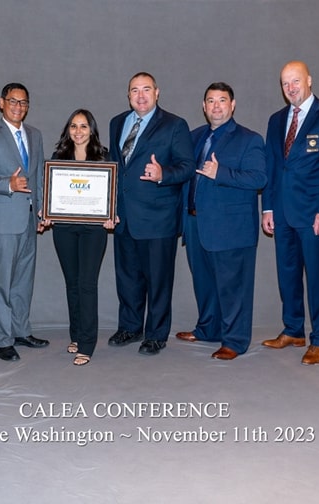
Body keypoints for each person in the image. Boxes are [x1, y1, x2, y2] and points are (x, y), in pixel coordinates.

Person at [261, 61, 319, 365]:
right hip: (283, 215)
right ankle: (293, 330)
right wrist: (269, 208)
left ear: (309, 80)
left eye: (296, 81)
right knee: (287, 275)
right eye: (285, 83)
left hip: (315, 216)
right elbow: (274, 168)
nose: (291, 88)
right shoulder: (276, 120)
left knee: (317, 277)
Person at [176, 82, 267, 360]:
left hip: (231, 229)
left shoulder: (249, 139)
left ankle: (235, 341)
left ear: (233, 104)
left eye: (222, 100)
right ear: (203, 107)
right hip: (195, 224)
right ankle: (207, 329)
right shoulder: (194, 137)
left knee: (232, 287)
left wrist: (222, 172)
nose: (216, 106)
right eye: (211, 101)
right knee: (204, 284)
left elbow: (259, 178)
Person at [108, 72, 196, 356]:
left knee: (158, 281)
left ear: (157, 93)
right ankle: (130, 327)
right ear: (128, 95)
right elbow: (114, 169)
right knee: (128, 279)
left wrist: (162, 174)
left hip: (158, 219)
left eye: (146, 89)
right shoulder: (117, 122)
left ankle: (156, 334)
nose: (141, 95)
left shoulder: (174, 125)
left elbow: (186, 166)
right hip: (124, 218)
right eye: (134, 90)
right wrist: (108, 208)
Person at [0, 83, 50, 361]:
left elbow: (39, 176)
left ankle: (20, 331)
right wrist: (8, 183)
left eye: (24, 102)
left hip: (29, 220)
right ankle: (3, 340)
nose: (18, 107)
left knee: (23, 282)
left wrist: (42, 211)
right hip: (1, 222)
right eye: (13, 101)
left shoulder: (35, 135)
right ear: (1, 103)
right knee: (2, 283)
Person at [51, 109, 116, 366]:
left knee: (87, 283)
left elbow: (113, 193)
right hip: (64, 228)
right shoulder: (59, 157)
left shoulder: (104, 157)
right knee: (72, 284)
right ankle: (76, 335)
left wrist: (112, 214)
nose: (78, 131)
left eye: (84, 127)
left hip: (93, 229)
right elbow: (52, 194)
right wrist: (48, 212)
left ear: (92, 130)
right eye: (74, 126)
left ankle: (87, 344)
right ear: (68, 130)